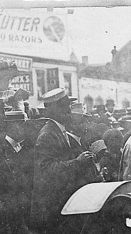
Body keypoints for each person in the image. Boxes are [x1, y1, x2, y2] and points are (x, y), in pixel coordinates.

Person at [31, 88, 98, 226]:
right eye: (65, 106)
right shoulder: (48, 135)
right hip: (52, 208)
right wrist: (78, 162)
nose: (69, 109)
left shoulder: (58, 131)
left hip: (60, 204)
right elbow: (47, 170)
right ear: (55, 109)